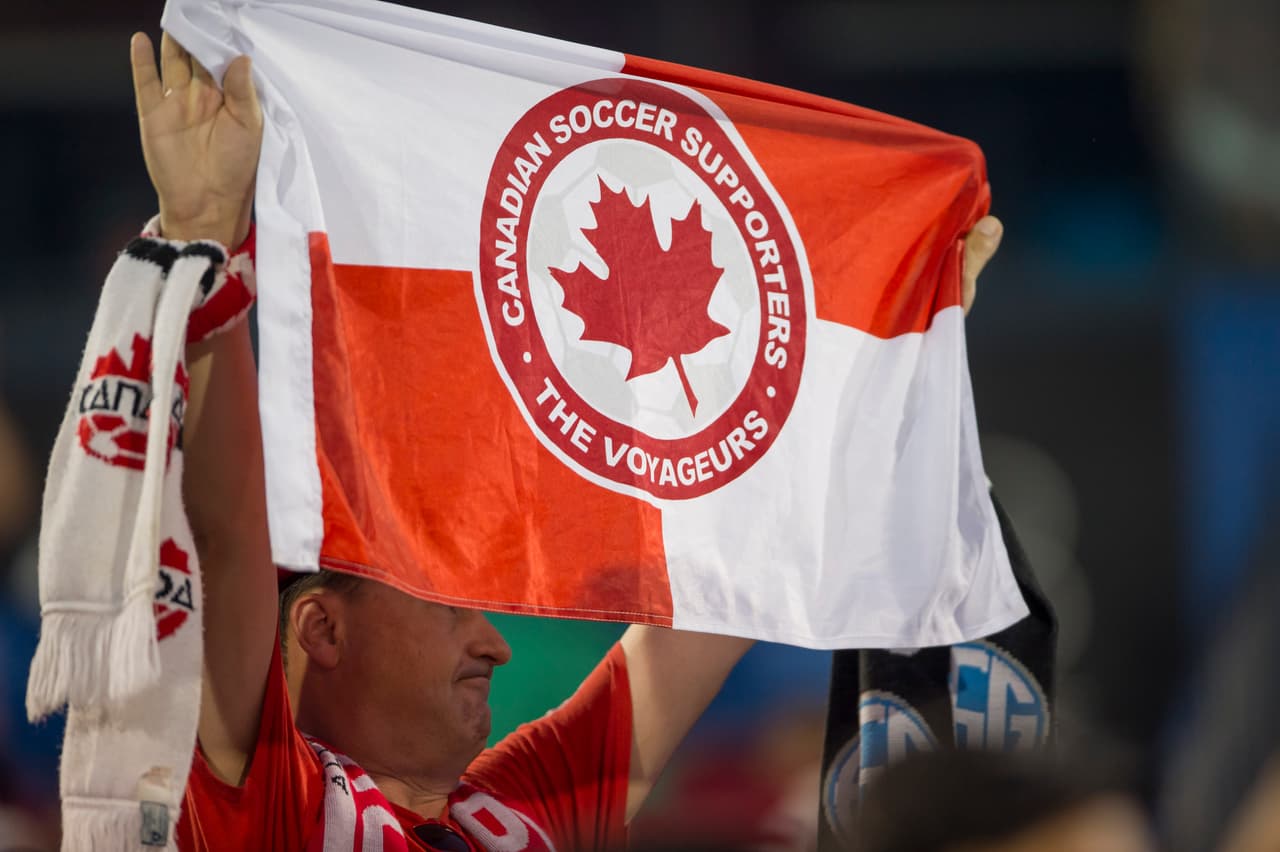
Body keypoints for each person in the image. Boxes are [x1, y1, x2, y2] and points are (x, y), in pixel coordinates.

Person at [126, 30, 1005, 851]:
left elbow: (726, 576)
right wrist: (202, 241)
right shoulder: (265, 802)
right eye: (448, 603)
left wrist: (887, 356)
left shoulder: (517, 807)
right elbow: (230, 541)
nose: (496, 643)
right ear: (320, 627)